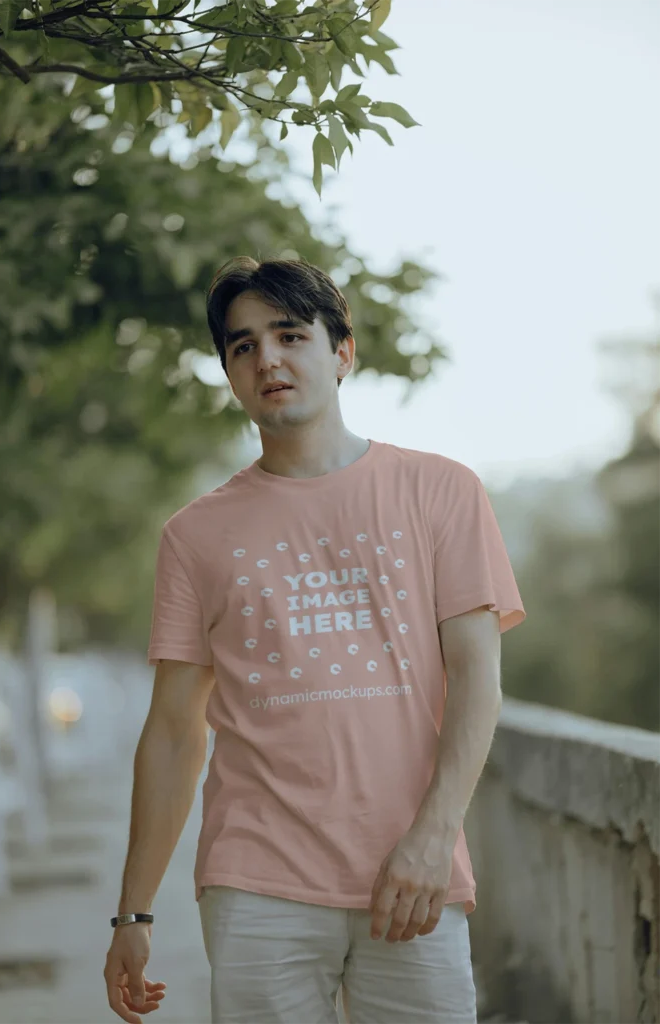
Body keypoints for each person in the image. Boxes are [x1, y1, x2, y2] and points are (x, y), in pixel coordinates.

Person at [104, 255, 526, 1024]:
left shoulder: (440, 491)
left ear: (341, 352)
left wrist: (434, 837)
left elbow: (476, 681)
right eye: (242, 345)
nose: (266, 357)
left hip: (413, 873)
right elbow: (171, 732)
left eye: (289, 335)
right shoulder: (194, 536)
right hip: (255, 882)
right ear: (229, 372)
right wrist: (132, 914)